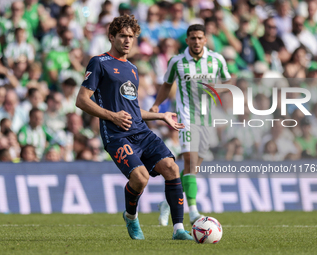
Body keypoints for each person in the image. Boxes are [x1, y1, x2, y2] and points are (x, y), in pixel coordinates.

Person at [75, 14, 192, 241]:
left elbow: (133, 109)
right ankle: (130, 216)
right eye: (122, 36)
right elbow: (82, 100)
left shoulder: (132, 68)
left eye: (131, 36)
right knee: (140, 178)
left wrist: (161, 115)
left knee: (172, 168)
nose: (127, 40)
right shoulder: (99, 63)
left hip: (141, 131)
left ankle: (178, 229)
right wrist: (112, 116)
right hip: (117, 135)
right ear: (111, 37)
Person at [150, 24, 231, 226]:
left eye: (200, 38)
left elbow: (228, 83)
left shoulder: (217, 60)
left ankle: (168, 203)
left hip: (206, 119)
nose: (196, 41)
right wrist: (156, 104)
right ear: (187, 40)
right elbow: (167, 84)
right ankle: (193, 211)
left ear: (205, 39)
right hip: (185, 116)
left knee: (193, 167)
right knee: (189, 159)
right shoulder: (177, 62)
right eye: (192, 38)